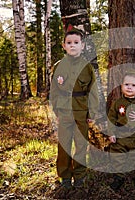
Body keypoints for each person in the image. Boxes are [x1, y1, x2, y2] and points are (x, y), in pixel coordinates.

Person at [50, 29, 99, 191]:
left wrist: (92, 113)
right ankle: (64, 175)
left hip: (82, 112)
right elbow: (54, 91)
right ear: (64, 46)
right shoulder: (58, 66)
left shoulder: (87, 67)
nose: (73, 46)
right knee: (64, 144)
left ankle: (79, 175)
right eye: (69, 43)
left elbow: (93, 91)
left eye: (76, 43)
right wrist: (57, 110)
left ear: (82, 46)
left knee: (80, 145)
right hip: (64, 111)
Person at [107, 70, 135, 191]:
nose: (129, 87)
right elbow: (111, 118)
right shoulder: (117, 103)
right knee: (117, 157)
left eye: (133, 85)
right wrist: (111, 133)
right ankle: (118, 177)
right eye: (126, 84)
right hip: (120, 136)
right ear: (121, 87)